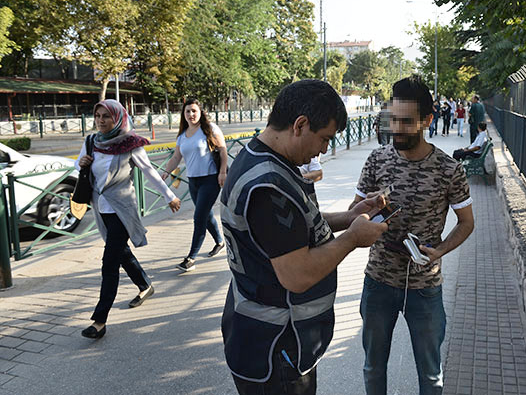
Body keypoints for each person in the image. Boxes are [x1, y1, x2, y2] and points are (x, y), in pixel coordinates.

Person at [219, 79, 389, 395]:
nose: (325, 149)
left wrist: (349, 218)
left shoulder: (258, 156)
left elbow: (291, 229)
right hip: (277, 347)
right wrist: (353, 238)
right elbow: (297, 276)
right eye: (324, 138)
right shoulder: (268, 186)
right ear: (300, 125)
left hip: (269, 337)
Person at [351, 76, 475, 395]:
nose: (397, 128)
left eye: (406, 122)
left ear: (427, 120)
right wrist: (367, 213)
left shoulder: (450, 170)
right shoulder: (377, 160)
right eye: (393, 119)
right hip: (377, 280)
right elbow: (354, 212)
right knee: (373, 367)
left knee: (431, 375)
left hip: (425, 286)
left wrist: (439, 251)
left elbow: (466, 223)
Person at [76, 99, 181, 339]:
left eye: (106, 116)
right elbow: (79, 166)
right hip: (101, 208)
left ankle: (99, 321)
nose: (101, 121)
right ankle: (145, 285)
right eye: (98, 116)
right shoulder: (92, 141)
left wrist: (170, 197)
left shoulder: (129, 144)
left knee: (109, 262)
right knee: (120, 252)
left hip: (122, 209)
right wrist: (80, 163)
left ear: (118, 118)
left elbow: (149, 172)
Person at [160, 98, 227, 272]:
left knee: (199, 218)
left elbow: (223, 150)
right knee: (206, 215)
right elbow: (176, 157)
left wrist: (222, 172)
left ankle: (190, 258)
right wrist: (166, 171)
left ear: (200, 112)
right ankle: (220, 241)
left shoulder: (210, 129)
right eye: (188, 111)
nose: (191, 114)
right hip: (193, 181)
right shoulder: (182, 136)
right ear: (183, 114)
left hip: (210, 180)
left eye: (194, 111)